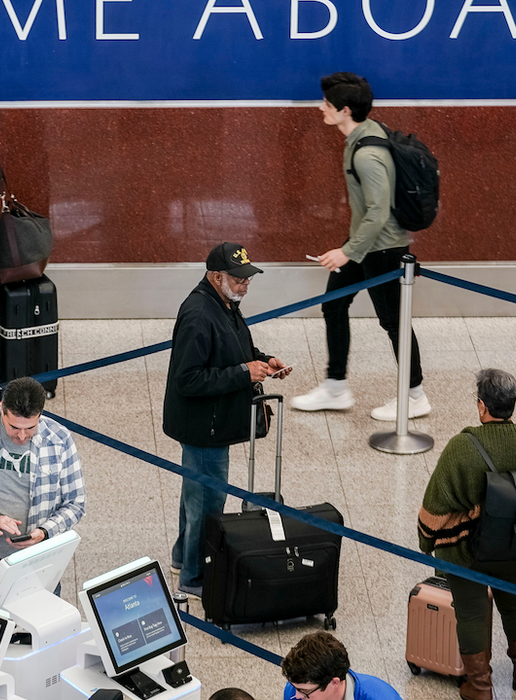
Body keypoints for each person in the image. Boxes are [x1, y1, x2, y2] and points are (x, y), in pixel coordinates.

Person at [416, 369, 516, 700]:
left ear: (482, 406)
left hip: (467, 552)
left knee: (471, 613)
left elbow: (434, 507)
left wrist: (426, 542)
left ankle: (480, 685)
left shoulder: (463, 446)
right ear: (512, 405)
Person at [291, 72, 430, 422]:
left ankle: (415, 396)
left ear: (346, 110)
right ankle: (336, 387)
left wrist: (347, 252)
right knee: (333, 305)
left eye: (327, 104)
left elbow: (379, 212)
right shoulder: (363, 133)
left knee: (394, 322)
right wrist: (351, 248)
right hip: (362, 244)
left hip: (382, 249)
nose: (321, 108)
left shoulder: (367, 154)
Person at [162, 243, 291, 597]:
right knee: (207, 502)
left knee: (196, 495)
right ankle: (194, 577)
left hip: (212, 422)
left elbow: (235, 349)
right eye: (239, 278)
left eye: (248, 278)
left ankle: (181, 556)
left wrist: (263, 362)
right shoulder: (199, 315)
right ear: (216, 276)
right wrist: (242, 374)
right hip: (204, 427)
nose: (245, 285)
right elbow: (188, 380)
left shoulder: (224, 304)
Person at [0, 377, 86, 597]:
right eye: (14, 427)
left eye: (30, 427)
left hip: (40, 557)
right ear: (2, 409)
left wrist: (45, 532)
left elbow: (76, 503)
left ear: (40, 415)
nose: (21, 436)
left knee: (41, 624)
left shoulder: (59, 439)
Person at [282, 632, 401, 700]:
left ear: (334, 683)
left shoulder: (382, 697)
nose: (297, 696)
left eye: (304, 691)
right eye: (296, 688)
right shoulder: (295, 687)